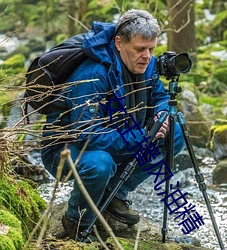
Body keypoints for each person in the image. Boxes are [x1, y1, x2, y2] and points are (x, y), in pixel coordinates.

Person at [41, 9, 185, 241]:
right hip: (67, 150)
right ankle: (76, 221)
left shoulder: (146, 64)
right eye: (140, 49)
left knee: (175, 133)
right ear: (119, 43)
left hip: (118, 137)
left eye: (151, 49)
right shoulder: (92, 74)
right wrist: (143, 136)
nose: (147, 56)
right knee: (100, 164)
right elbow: (86, 135)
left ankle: (115, 193)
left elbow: (159, 96)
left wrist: (161, 114)